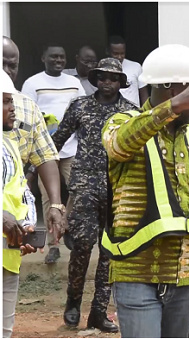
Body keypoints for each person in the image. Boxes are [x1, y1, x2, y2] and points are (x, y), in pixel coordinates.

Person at [100, 44, 189, 338]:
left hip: (183, 278)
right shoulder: (120, 122)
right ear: (173, 91)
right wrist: (175, 107)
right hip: (135, 275)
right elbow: (119, 144)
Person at [52, 58, 137, 333]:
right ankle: (73, 301)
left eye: (113, 78)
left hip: (118, 189)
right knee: (82, 246)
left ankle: (99, 312)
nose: (107, 83)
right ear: (96, 79)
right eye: (102, 77)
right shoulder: (81, 106)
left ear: (121, 82)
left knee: (110, 253)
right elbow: (57, 141)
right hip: (86, 186)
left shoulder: (130, 112)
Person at [20, 43, 85, 264]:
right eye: (53, 57)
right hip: (44, 151)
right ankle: (53, 244)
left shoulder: (74, 83)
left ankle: (65, 225)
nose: (58, 60)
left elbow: (82, 110)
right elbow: (27, 114)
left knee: (79, 189)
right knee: (49, 197)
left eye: (61, 57)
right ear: (43, 58)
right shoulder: (33, 83)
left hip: (72, 147)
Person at [2, 36, 64, 255]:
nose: (8, 71)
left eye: (13, 65)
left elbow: (45, 155)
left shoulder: (27, 107)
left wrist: (55, 204)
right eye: (2, 64)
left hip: (12, 224)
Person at [2, 70, 38, 338]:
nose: (12, 109)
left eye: (11, 101)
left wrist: (26, 225)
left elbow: (22, 192)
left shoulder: (10, 144)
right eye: (4, 102)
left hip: (8, 255)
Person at [106, 35, 148, 107]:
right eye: (116, 54)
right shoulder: (102, 69)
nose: (119, 57)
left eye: (122, 53)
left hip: (133, 114)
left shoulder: (136, 67)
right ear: (108, 52)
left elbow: (143, 94)